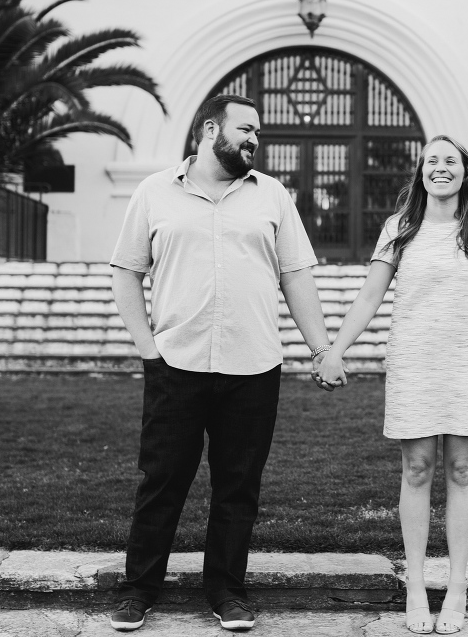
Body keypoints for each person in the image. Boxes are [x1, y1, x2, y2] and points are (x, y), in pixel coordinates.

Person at [108, 94, 336, 632]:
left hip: (253, 366)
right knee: (162, 480)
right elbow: (125, 270)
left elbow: (297, 275)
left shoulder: (273, 196)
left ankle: (227, 592)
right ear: (211, 129)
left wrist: (322, 347)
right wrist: (148, 346)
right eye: (246, 128)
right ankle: (139, 589)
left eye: (258, 132)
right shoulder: (154, 191)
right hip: (176, 364)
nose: (255, 139)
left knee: (238, 486)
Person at [316, 135, 468, 634]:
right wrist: (335, 349)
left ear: (464, 172)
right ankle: (414, 587)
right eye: (432, 161)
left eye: (450, 161)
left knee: (463, 469)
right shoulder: (400, 228)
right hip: (415, 361)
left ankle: (456, 588)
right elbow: (368, 299)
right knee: (417, 468)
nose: (441, 168)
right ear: (421, 172)